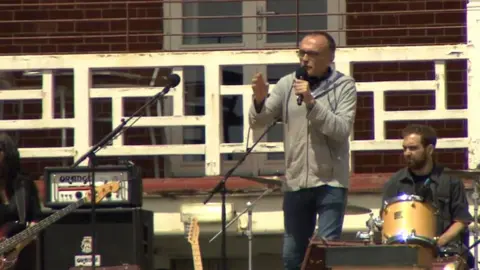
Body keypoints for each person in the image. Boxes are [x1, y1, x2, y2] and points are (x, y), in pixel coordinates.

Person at [248, 31, 357, 270]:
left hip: (330, 182)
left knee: (324, 257)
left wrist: (310, 101)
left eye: (312, 53)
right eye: (302, 52)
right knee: (291, 258)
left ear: (330, 56)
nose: (304, 58)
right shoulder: (288, 83)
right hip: (296, 181)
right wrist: (258, 100)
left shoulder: (344, 85)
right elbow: (259, 122)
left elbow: (340, 129)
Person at [380, 124, 474, 267]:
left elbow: (461, 220)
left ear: (429, 150)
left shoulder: (450, 180)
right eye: (404, 148)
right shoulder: (395, 182)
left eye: (413, 148)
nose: (407, 153)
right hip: (405, 253)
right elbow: (385, 223)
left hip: (446, 250)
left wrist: (437, 243)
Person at [0, 132, 42, 270]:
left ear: (7, 154)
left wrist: (19, 245)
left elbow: (35, 219)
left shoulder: (24, 184)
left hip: (20, 256)